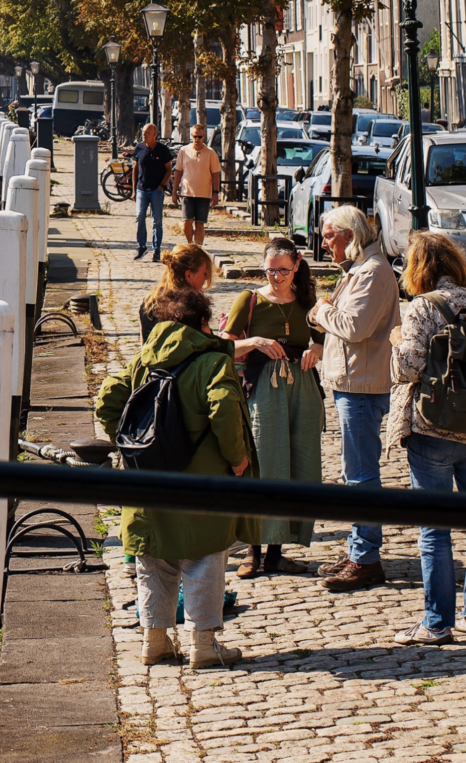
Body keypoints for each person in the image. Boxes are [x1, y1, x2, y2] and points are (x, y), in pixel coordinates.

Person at [96, 286, 258, 668]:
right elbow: (223, 408)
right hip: (200, 483)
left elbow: (108, 398)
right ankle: (203, 645)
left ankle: (155, 642)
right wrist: (237, 459)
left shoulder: (144, 359)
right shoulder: (213, 362)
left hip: (147, 477)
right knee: (204, 558)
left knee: (154, 558)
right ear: (203, 323)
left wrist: (125, 443)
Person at [307, 205, 399, 592]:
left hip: (362, 386)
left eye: (329, 235)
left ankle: (366, 559)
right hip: (352, 383)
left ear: (351, 234)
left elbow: (355, 327)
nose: (323, 241)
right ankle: (358, 550)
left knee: (361, 476)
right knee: (354, 473)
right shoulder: (360, 269)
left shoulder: (374, 272)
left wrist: (321, 311)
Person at [218, 236, 323, 578]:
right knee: (263, 463)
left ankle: (277, 552)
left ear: (296, 267)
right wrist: (257, 341)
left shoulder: (308, 300)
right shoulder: (249, 300)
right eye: (270, 270)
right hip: (262, 387)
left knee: (296, 462)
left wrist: (316, 349)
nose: (275, 277)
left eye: (282, 270)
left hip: (301, 387)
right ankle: (252, 550)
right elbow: (224, 346)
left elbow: (322, 336)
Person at [388, 233, 466, 645]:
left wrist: (396, 341)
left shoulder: (421, 307)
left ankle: (438, 622)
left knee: (435, 528)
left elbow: (409, 367)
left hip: (432, 426)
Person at [138, 244, 215, 343]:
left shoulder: (148, 302)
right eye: (205, 273)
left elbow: (143, 346)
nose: (206, 278)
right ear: (189, 275)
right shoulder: (193, 308)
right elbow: (212, 348)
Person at [172, 123, 222, 246]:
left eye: (199, 137)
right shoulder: (184, 151)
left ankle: (198, 248)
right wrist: (174, 191)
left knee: (200, 223)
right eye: (194, 136)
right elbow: (178, 171)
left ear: (203, 136)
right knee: (186, 222)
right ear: (191, 136)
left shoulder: (210, 153)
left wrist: (216, 193)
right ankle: (190, 244)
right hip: (187, 192)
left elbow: (215, 174)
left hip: (204, 194)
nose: (197, 139)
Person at [133, 123, 174, 263]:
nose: (144, 134)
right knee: (139, 217)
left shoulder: (162, 150)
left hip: (157, 189)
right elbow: (136, 168)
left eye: (147, 132)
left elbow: (169, 169)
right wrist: (134, 189)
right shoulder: (139, 148)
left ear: (154, 134)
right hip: (141, 188)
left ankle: (156, 249)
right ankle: (141, 246)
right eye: (143, 132)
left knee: (156, 220)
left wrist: (162, 185)